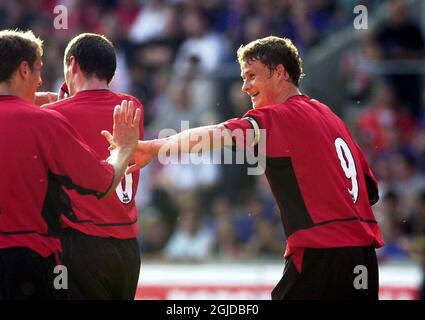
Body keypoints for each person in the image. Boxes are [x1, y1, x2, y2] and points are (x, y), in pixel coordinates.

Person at [109, 36, 385, 300]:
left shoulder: (278, 116)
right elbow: (368, 192)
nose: (245, 87)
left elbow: (218, 135)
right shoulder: (331, 117)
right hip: (363, 258)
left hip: (321, 253)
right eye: (243, 78)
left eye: (251, 76)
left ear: (279, 73)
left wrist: (155, 148)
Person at [0, 30, 140, 300]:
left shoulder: (49, 114)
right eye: (39, 71)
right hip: (33, 259)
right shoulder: (45, 123)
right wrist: (122, 149)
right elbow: (102, 181)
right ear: (24, 69)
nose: (41, 81)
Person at [41, 33, 144, 300]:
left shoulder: (55, 115)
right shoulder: (132, 106)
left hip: (80, 242)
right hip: (127, 247)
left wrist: (61, 99)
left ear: (72, 65)